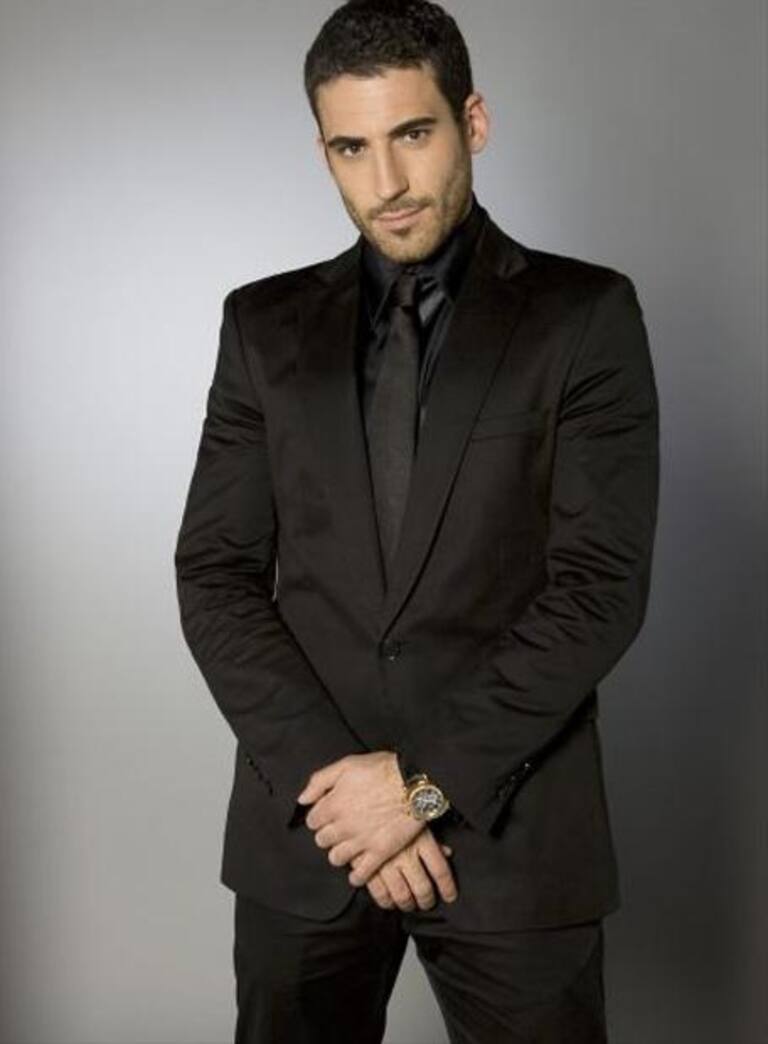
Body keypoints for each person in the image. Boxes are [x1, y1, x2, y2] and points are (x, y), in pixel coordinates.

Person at [173, 1, 660, 1040]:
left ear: (471, 121)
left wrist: (421, 788)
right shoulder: (260, 326)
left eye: (413, 133)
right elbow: (215, 573)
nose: (386, 181)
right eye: (351, 148)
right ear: (323, 151)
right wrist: (347, 797)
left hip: (514, 839)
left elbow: (599, 589)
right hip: (313, 835)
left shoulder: (585, 317)